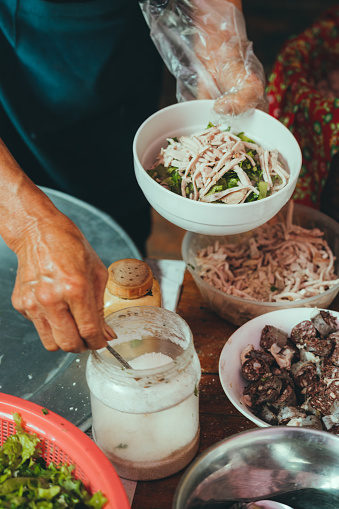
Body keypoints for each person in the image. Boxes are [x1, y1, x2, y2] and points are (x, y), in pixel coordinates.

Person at [0, 0, 265, 353]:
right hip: (21, 65)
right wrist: (28, 227)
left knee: (121, 243)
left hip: (115, 53)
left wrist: (219, 40)